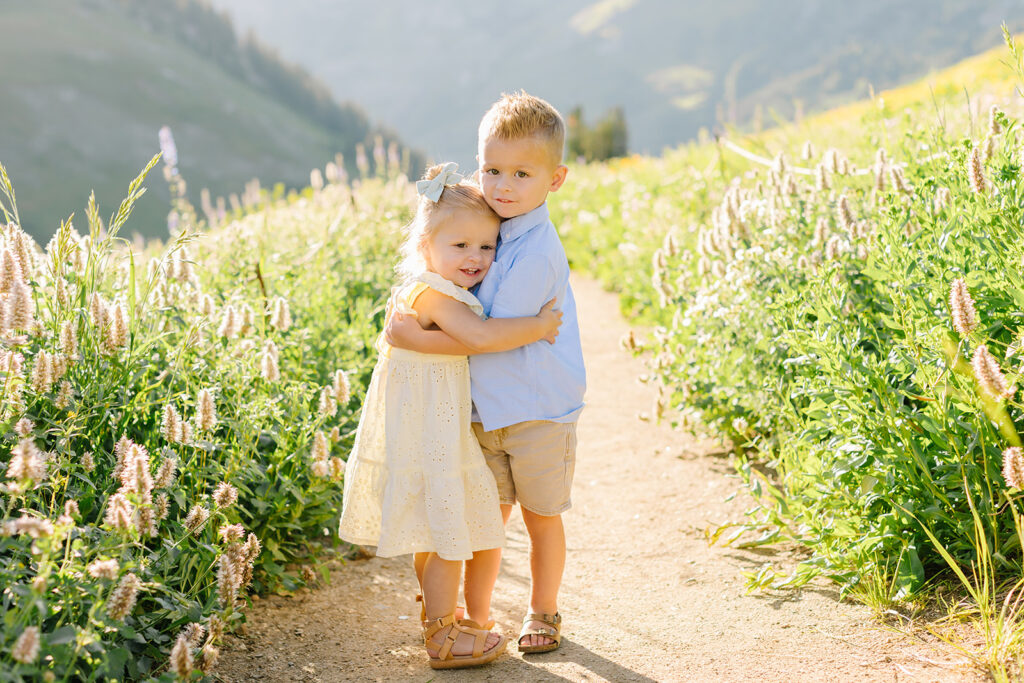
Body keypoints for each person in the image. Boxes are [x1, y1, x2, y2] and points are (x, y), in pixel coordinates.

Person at [338, 161, 563, 670]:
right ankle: (441, 636)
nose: (475, 257)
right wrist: (540, 326)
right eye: (459, 246)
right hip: (429, 427)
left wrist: (412, 338)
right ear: (426, 247)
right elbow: (479, 341)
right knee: (446, 528)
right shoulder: (436, 294)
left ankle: (440, 615)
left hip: (427, 423)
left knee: (431, 525)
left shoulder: (430, 291)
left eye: (486, 246)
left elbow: (436, 342)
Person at [386, 92, 586, 654]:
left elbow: (487, 334)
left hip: (539, 410)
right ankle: (475, 616)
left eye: (522, 173)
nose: (503, 184)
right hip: (485, 409)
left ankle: (543, 610)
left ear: (556, 179)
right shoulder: (489, 226)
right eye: (493, 169)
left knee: (542, 516)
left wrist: (414, 336)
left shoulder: (537, 251)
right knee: (484, 522)